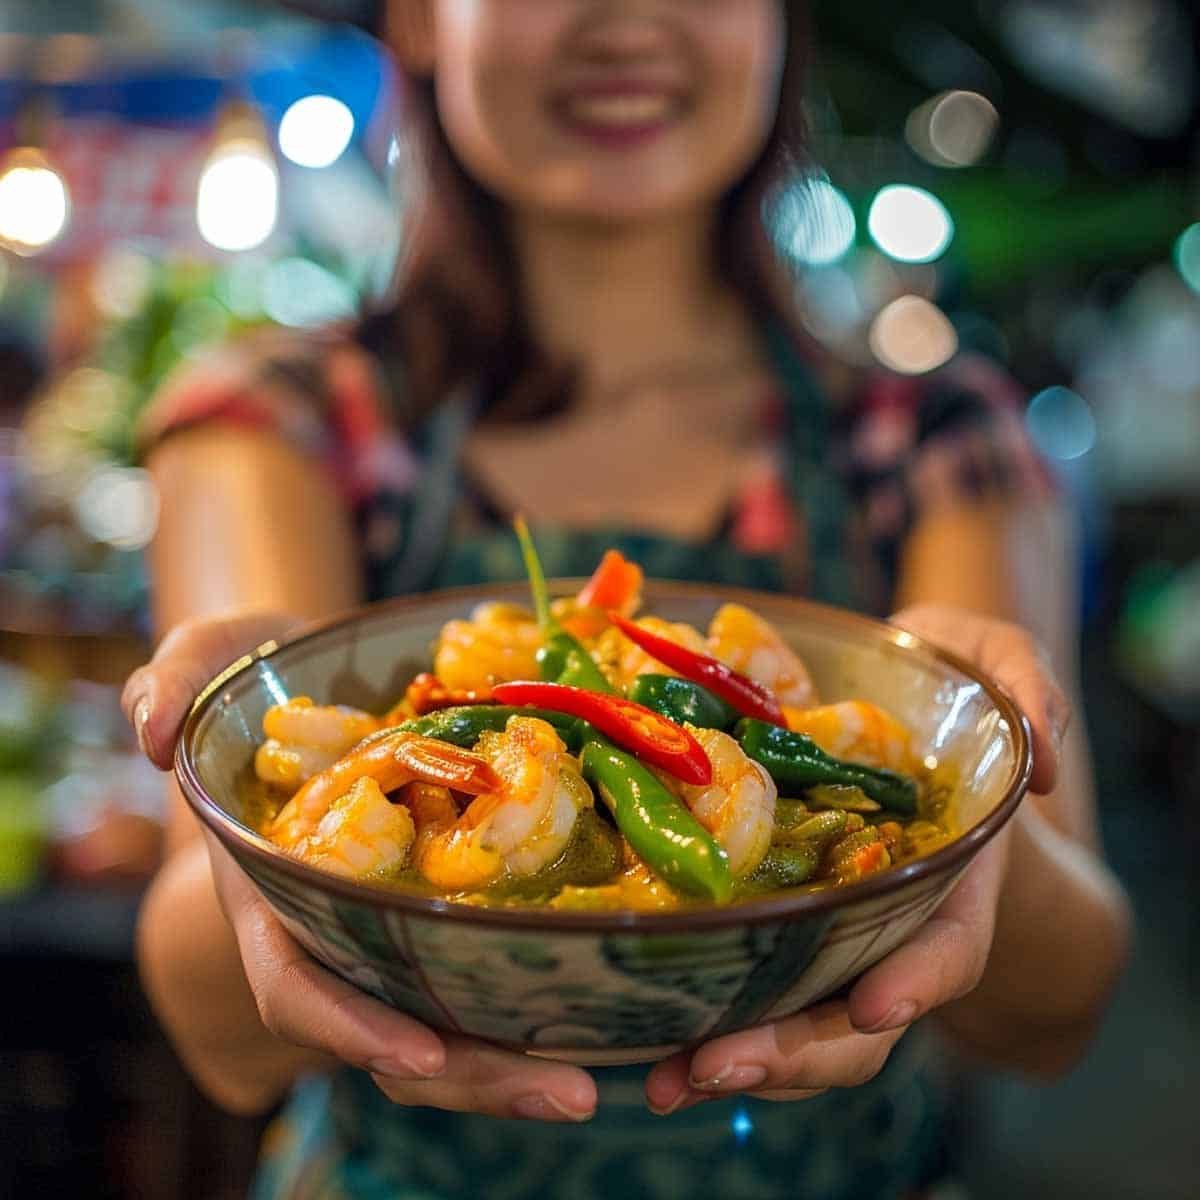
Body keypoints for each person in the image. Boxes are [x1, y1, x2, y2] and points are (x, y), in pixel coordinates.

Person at [125, 4, 1132, 1198]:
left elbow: (1054, 1023)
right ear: (420, 21)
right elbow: (216, 1041)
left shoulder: (936, 440)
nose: (627, 22)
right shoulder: (280, 419)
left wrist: (982, 788)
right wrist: (250, 827)